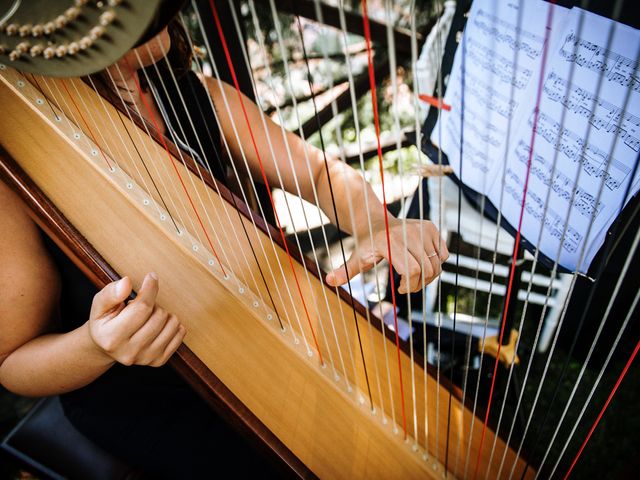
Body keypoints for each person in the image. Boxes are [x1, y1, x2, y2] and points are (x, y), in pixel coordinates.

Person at [0, 16, 448, 479]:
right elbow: (14, 363)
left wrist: (378, 223)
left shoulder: (196, 95)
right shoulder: (16, 166)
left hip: (270, 326)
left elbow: (317, 174)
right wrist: (96, 346)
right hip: (154, 404)